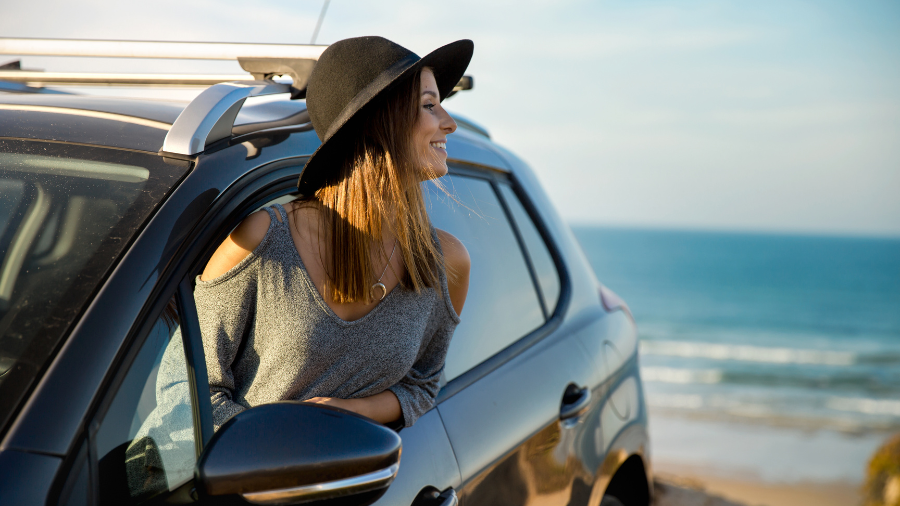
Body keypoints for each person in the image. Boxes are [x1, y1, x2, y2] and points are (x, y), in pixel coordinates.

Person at [194, 36, 474, 431]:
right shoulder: (261, 244)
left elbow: (423, 385)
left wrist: (352, 411)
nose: (449, 122)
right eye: (429, 105)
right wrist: (282, 453)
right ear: (379, 123)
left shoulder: (445, 262)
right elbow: (189, 396)